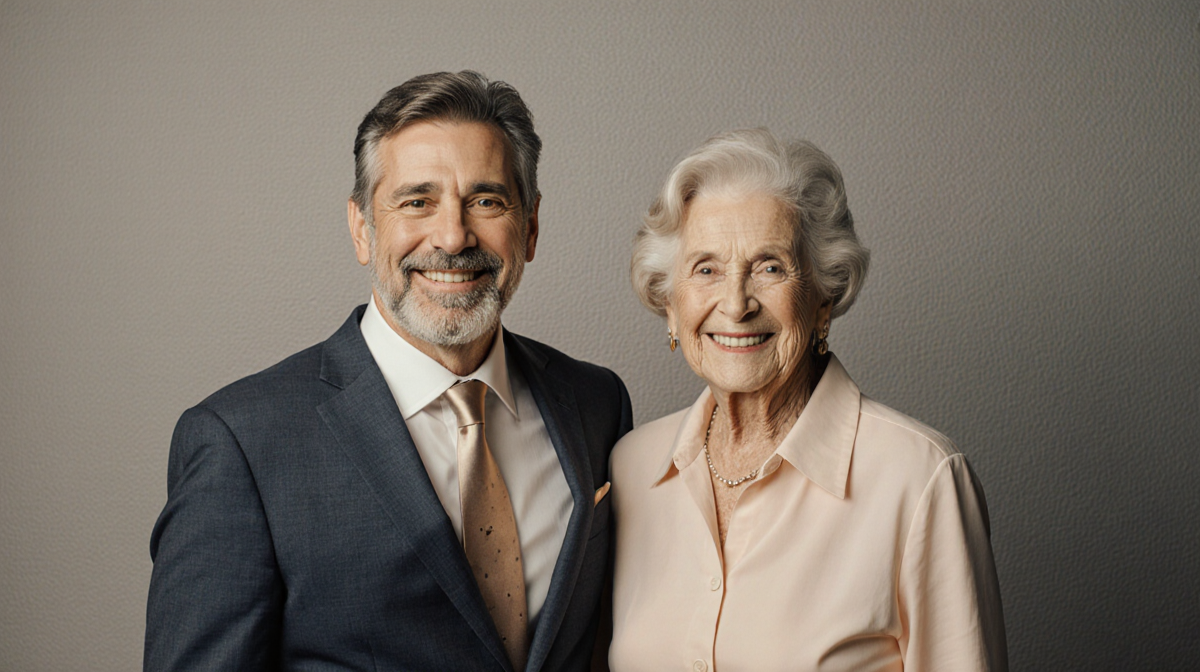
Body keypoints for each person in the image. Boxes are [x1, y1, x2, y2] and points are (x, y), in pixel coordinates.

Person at [144, 71, 632, 672]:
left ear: (529, 227)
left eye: (486, 200)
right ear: (361, 228)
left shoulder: (595, 403)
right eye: (416, 202)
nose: (453, 237)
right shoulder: (243, 441)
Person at [609, 129, 1007, 671]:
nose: (736, 303)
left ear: (823, 298)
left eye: (769, 266)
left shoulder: (919, 479)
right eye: (706, 269)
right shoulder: (630, 469)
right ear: (671, 305)